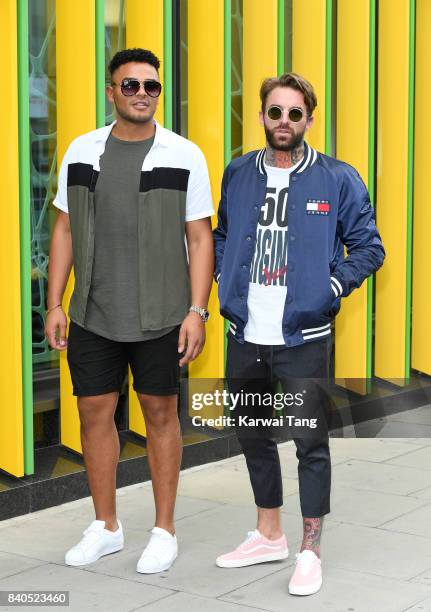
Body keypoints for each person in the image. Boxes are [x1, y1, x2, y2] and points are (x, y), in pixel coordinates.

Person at [213, 72, 384, 595]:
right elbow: (221, 234)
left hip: (303, 336)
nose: (283, 121)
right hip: (245, 331)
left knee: (310, 441)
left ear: (309, 120)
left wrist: (329, 288)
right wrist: (223, 276)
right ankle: (269, 533)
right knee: (252, 435)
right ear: (261, 116)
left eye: (294, 113)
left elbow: (369, 248)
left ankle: (310, 548)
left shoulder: (337, 179)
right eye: (274, 112)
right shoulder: (239, 172)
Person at [46, 48, 214, 573]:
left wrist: (197, 311)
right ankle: (106, 526)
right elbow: (65, 228)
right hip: (94, 312)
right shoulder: (82, 150)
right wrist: (55, 302)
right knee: (94, 415)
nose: (143, 93)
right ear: (112, 92)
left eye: (152, 86)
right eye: (132, 84)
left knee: (161, 416)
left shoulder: (184, 154)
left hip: (163, 314)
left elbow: (200, 237)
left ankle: (163, 531)